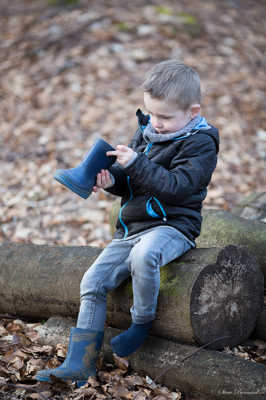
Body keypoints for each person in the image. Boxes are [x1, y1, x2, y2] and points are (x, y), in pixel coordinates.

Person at [35, 60, 219, 387]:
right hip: (133, 227)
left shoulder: (201, 143)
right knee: (92, 281)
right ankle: (79, 365)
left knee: (144, 256)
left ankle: (141, 322)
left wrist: (136, 164)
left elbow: (177, 187)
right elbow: (132, 181)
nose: (155, 123)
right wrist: (112, 182)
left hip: (173, 226)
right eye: (151, 114)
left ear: (193, 111)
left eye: (164, 117)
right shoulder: (147, 129)